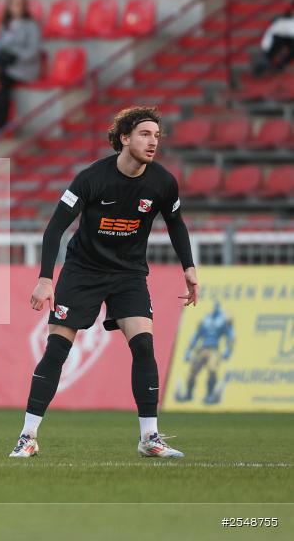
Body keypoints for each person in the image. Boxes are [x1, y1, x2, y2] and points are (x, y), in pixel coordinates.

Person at [10, 106, 198, 460]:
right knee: (57, 350)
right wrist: (46, 279)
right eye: (145, 134)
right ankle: (28, 436)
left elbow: (176, 223)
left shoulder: (162, 182)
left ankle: (149, 437)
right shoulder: (91, 178)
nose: (152, 141)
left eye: (157, 136)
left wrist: (188, 266)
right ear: (124, 138)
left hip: (128, 274)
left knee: (144, 346)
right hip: (82, 271)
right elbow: (54, 228)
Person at [176, 302, 234, 404]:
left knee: (212, 370)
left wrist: (228, 350)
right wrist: (188, 351)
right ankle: (189, 394)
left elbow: (229, 335)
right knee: (192, 371)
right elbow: (196, 335)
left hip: (214, 349)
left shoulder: (222, 321)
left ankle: (209, 395)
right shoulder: (206, 320)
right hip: (202, 348)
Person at [0, 0, 42, 88]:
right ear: (9, 6)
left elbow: (33, 51)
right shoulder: (4, 25)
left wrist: (15, 57)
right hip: (5, 66)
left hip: (24, 68)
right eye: (14, 3)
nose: (18, 6)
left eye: (20, 3)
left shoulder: (31, 25)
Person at [252, 9, 294, 77]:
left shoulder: (281, 22)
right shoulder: (281, 22)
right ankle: (267, 66)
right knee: (274, 47)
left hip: (282, 39)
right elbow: (270, 34)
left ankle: (277, 65)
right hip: (278, 38)